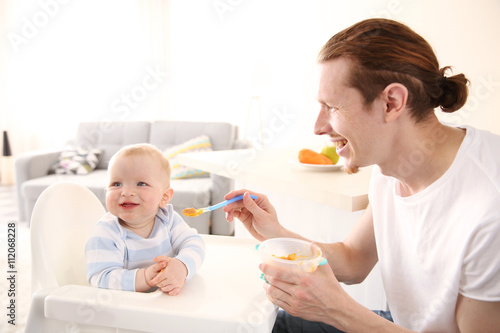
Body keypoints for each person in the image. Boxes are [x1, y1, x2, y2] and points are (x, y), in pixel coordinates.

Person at [223, 18, 500, 332]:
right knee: (261, 324)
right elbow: (354, 259)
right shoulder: (390, 165)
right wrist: (276, 232)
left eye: (332, 107)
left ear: (391, 102)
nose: (318, 127)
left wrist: (338, 310)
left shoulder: (490, 209)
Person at [85, 143, 205, 295]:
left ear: (164, 197)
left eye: (141, 184)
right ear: (106, 191)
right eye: (116, 184)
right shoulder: (106, 232)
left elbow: (194, 242)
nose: (126, 192)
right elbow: (99, 277)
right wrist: (145, 278)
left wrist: (183, 266)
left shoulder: (168, 219)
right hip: (128, 309)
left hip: (166, 302)